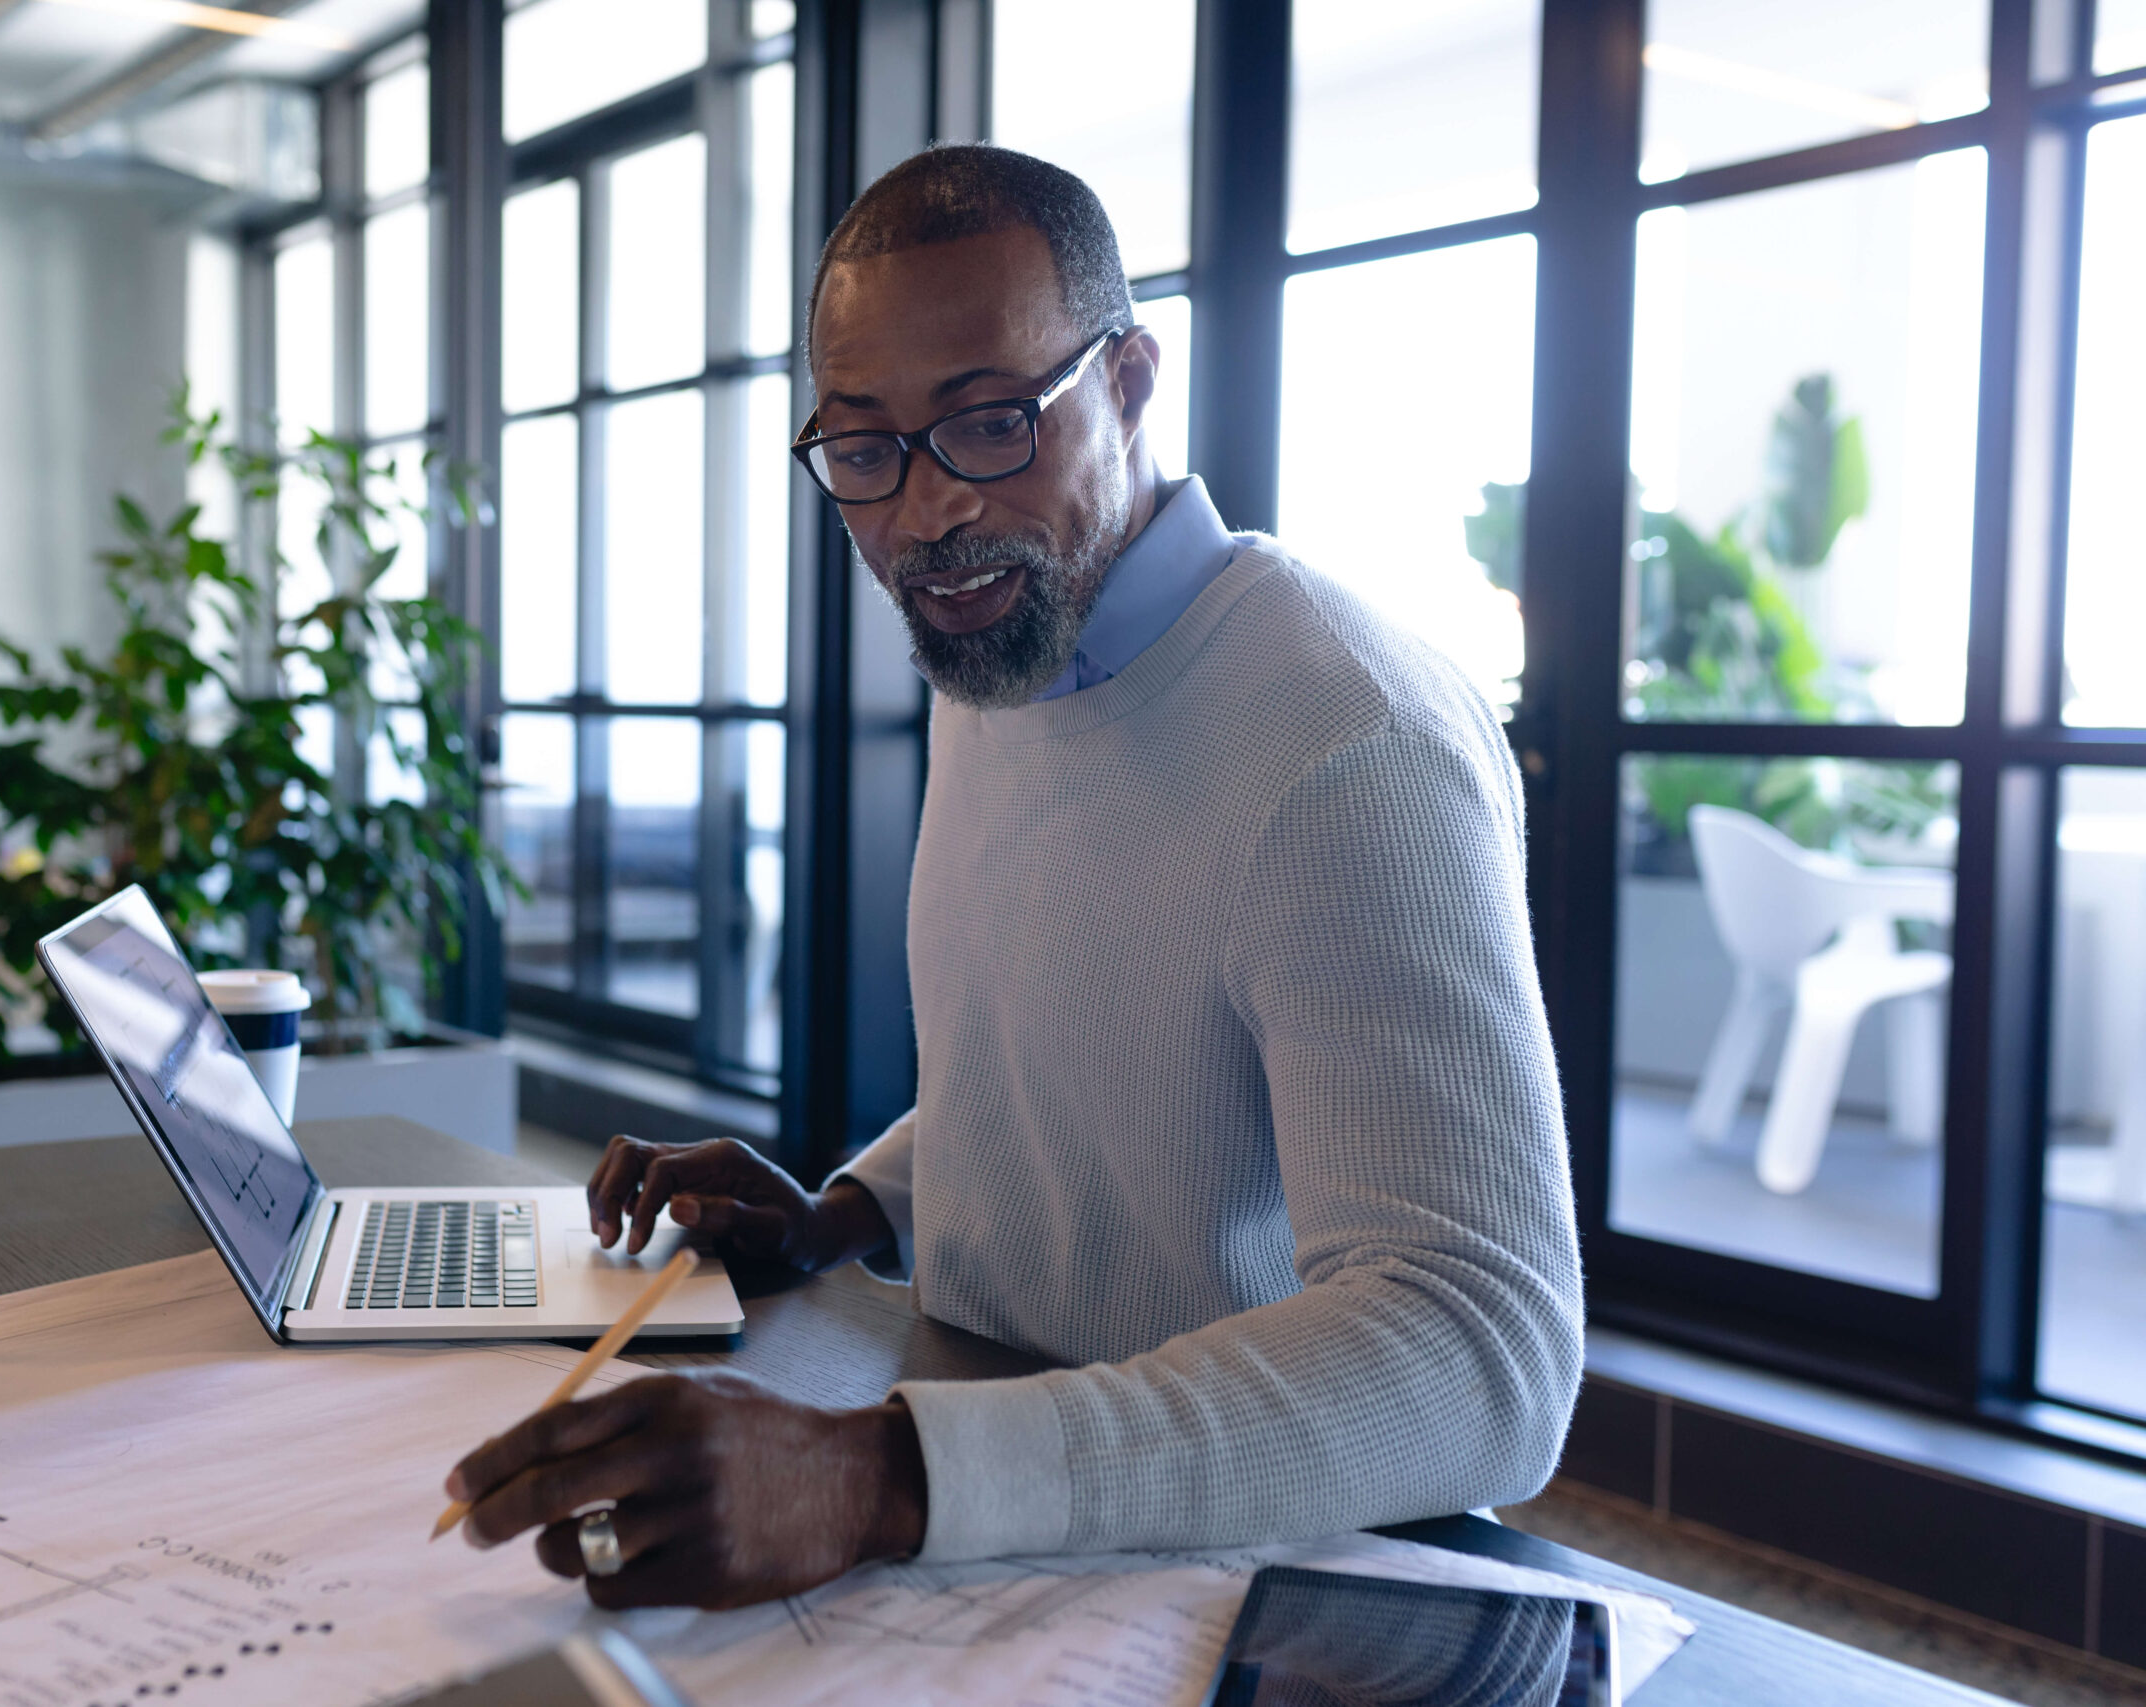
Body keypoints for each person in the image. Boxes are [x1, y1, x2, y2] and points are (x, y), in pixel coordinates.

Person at [443, 145, 1582, 1610]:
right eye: (862, 451)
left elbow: (1483, 1354)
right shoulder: (1007, 653)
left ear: (1128, 381)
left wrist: (883, 1474)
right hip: (1002, 1509)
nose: (924, 517)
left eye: (988, 424)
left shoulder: (1347, 739)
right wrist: (845, 1211)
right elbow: (1101, 1045)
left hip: (1260, 1576)